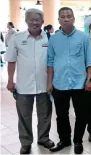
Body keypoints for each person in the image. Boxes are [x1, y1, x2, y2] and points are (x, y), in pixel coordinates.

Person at [4, 8, 55, 154]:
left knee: (45, 114)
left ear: (42, 22)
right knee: (24, 115)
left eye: (37, 19)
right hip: (23, 85)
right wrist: (10, 81)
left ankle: (44, 138)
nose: (34, 22)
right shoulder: (17, 38)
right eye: (31, 19)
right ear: (26, 21)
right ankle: (26, 142)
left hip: (45, 84)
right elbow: (11, 61)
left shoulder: (49, 39)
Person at [47, 7, 91, 154]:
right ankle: (65, 140)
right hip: (59, 83)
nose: (66, 18)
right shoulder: (53, 39)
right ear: (58, 20)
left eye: (69, 16)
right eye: (63, 16)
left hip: (79, 83)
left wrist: (90, 79)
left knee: (81, 114)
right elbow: (50, 62)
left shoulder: (84, 37)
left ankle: (78, 141)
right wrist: (49, 83)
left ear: (74, 18)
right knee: (61, 115)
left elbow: (90, 60)